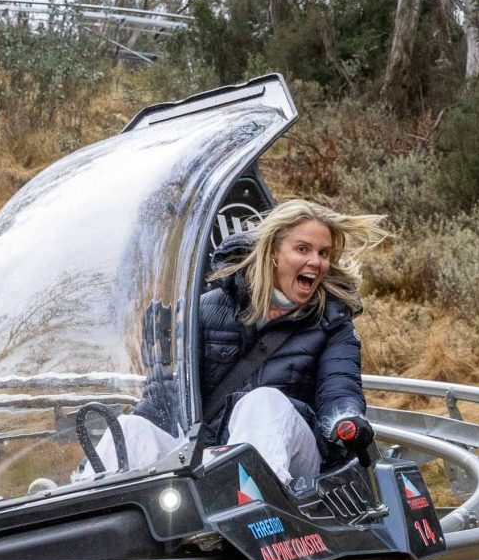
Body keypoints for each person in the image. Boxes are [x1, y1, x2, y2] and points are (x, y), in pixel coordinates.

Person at [80, 199, 384, 492]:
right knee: (131, 429)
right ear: (274, 253)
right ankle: (91, 514)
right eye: (303, 249)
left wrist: (345, 420)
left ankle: (249, 507)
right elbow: (167, 399)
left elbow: (340, 389)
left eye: (323, 253)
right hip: (207, 455)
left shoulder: (332, 323)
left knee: (263, 402)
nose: (315, 262)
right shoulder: (205, 310)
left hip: (297, 464)